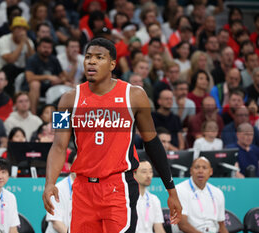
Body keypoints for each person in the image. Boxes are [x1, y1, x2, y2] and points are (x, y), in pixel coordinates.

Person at [42, 38, 182, 232]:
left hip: (118, 186)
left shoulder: (134, 95)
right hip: (83, 188)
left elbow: (152, 142)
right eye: (88, 57)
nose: (91, 61)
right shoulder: (67, 99)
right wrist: (50, 182)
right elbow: (58, 146)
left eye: (99, 57)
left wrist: (171, 190)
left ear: (112, 64)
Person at [174, 157, 228, 233]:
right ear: (191, 171)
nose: (200, 171)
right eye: (197, 167)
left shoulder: (217, 192)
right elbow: (183, 225)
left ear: (211, 171)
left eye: (204, 168)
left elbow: (221, 227)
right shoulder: (180, 190)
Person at [25, 37, 67, 114]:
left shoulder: (54, 59)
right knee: (35, 84)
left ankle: (63, 121)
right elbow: (29, 77)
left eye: (49, 48)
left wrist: (59, 80)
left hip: (50, 88)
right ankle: (33, 114)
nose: (47, 50)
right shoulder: (32, 60)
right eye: (44, 47)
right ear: (38, 48)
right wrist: (48, 77)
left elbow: (64, 76)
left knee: (69, 86)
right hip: (34, 89)